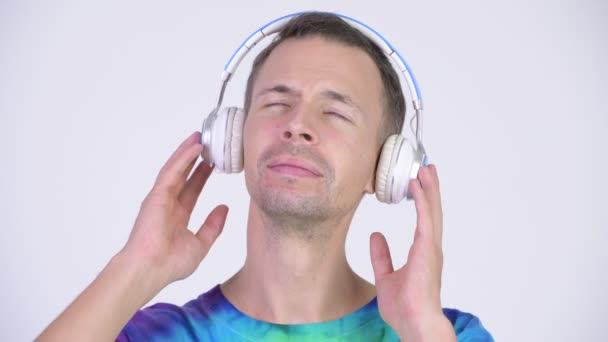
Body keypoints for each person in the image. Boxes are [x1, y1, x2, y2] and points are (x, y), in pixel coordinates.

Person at [38, 12, 494, 341]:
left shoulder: (448, 334)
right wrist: (135, 269)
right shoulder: (156, 335)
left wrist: (420, 331)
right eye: (277, 103)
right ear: (234, 137)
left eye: (335, 112)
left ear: (386, 166)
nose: (298, 124)